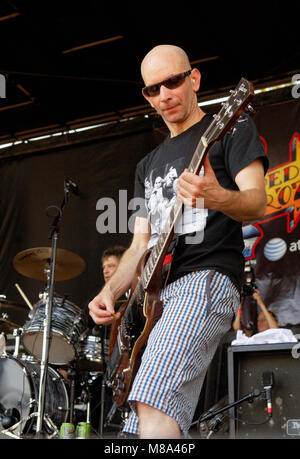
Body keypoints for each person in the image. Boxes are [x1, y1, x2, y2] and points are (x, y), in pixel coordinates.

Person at [88, 44, 269, 439]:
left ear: (194, 78)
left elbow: (257, 202)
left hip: (204, 278)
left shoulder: (230, 128)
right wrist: (110, 291)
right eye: (153, 89)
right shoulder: (146, 165)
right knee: (138, 427)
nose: (164, 95)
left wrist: (216, 196)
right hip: (155, 299)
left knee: (154, 402)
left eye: (172, 82)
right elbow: (139, 247)